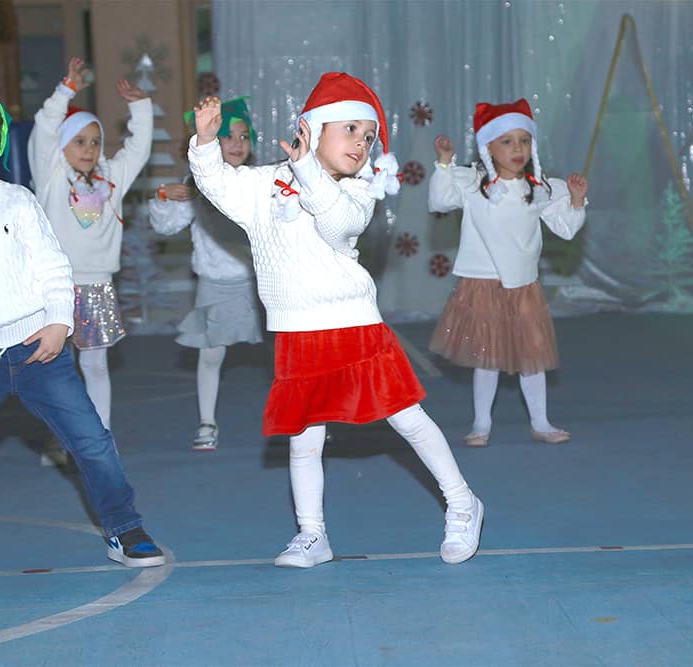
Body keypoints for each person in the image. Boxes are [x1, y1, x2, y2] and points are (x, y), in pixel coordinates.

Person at [188, 72, 483, 568]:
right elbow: (217, 182)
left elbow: (337, 224)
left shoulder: (359, 191)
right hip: (295, 332)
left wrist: (308, 172)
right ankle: (312, 534)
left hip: (353, 324)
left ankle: (463, 503)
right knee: (304, 439)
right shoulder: (264, 184)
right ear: (312, 128)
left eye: (369, 136)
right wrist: (203, 141)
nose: (362, 143)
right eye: (349, 129)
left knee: (406, 418)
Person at [0, 75, 164, 580]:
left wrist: (60, 321)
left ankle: (124, 528)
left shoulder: (17, 201)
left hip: (40, 350)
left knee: (93, 442)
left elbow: (53, 266)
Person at [428, 99, 588, 446]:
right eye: (507, 141)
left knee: (533, 356)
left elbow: (566, 229)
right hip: (482, 282)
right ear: (487, 146)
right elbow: (440, 202)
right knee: (487, 358)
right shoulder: (473, 183)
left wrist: (575, 201)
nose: (518, 149)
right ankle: (481, 423)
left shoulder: (540, 188)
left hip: (523, 285)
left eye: (524, 140)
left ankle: (541, 422)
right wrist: (443, 164)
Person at [27, 57, 152, 450]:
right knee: (53, 368)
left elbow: (139, 149)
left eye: (96, 141)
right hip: (55, 289)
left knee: (96, 365)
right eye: (79, 141)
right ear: (62, 146)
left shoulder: (112, 177)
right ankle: (59, 438)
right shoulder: (50, 175)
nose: (89, 149)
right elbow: (44, 130)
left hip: (97, 284)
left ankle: (100, 436)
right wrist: (64, 92)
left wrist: (141, 107)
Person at [148, 98, 264, 451]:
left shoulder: (257, 180)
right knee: (211, 354)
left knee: (285, 354)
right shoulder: (195, 185)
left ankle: (306, 419)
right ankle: (207, 421)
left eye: (244, 136)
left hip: (263, 285)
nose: (238, 143)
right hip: (216, 283)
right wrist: (165, 197)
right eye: (227, 136)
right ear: (210, 138)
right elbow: (166, 226)